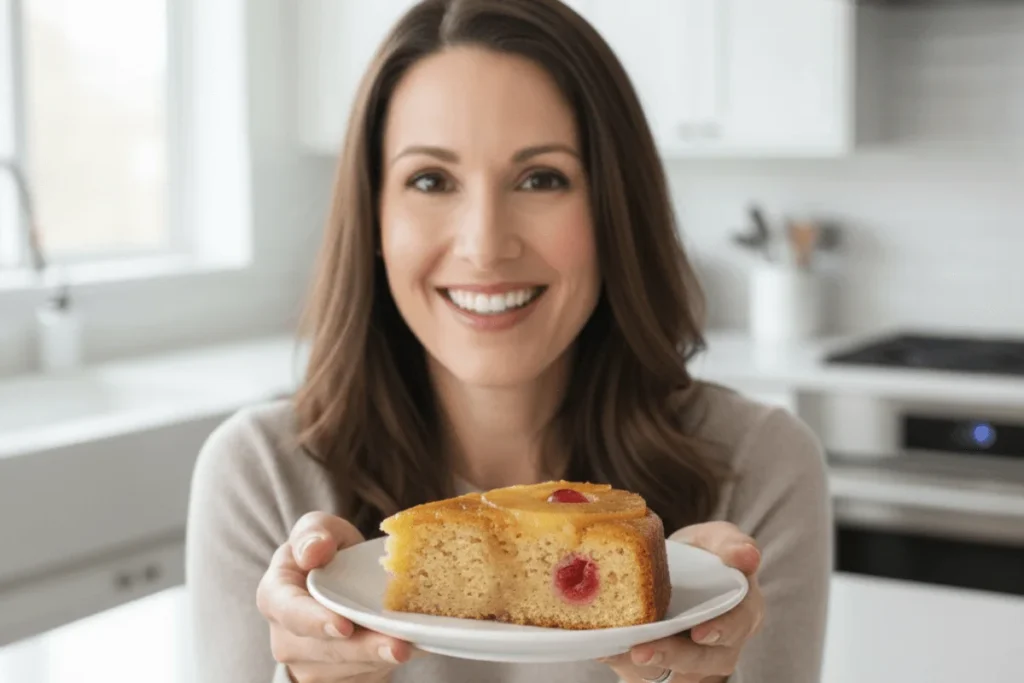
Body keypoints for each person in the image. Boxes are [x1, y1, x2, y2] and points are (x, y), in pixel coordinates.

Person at [185, 1, 831, 682]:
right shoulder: (261, 474)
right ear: (374, 220)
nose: (485, 245)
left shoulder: (760, 467)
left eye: (540, 178)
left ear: (615, 209)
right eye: (430, 180)